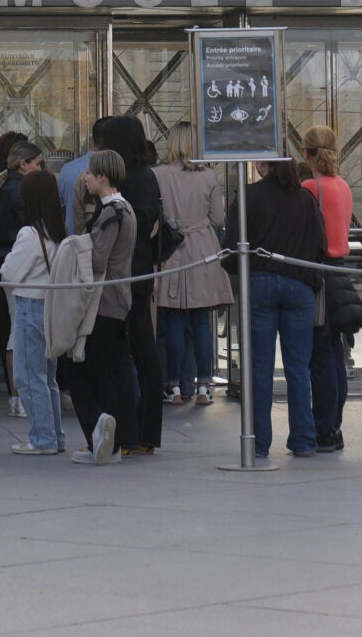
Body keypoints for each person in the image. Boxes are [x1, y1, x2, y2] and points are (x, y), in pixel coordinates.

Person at [231, 155, 326, 460]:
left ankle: (258, 443)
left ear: (265, 166)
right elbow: (320, 245)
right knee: (298, 367)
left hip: (260, 283)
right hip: (299, 285)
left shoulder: (249, 196)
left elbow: (232, 245)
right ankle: (303, 440)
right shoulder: (307, 199)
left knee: (260, 368)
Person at [58, 148, 139, 465]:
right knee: (107, 371)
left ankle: (100, 436)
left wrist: (75, 247)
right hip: (118, 300)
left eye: (90, 173)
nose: (86, 178)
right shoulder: (124, 209)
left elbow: (97, 259)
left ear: (102, 177)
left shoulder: (111, 213)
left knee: (79, 368)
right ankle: (109, 440)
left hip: (103, 303)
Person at [152, 131, 229, 408]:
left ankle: (173, 385)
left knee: (172, 320)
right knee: (200, 321)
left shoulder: (159, 175)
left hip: (171, 248)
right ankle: (204, 384)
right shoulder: (208, 176)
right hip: (202, 249)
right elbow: (218, 218)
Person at [106, 118, 167, 455]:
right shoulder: (148, 176)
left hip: (123, 275)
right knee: (145, 353)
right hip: (141, 272)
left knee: (123, 355)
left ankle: (128, 433)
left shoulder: (125, 181)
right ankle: (147, 433)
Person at [2, 169, 65, 454]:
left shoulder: (30, 233)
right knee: (48, 378)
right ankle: (55, 435)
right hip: (51, 308)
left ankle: (43, 438)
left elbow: (10, 272)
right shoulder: (58, 230)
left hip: (30, 307)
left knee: (28, 377)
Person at [300, 125, 354, 450]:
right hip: (341, 272)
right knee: (335, 353)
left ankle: (323, 427)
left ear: (306, 153)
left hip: (318, 274)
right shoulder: (343, 186)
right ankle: (334, 425)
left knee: (320, 355)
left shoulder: (310, 187)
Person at [0, 139, 43, 415]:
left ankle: (15, 394)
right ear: (24, 163)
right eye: (38, 164)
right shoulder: (22, 191)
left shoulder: (0, 190)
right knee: (22, 331)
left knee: (13, 327)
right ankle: (21, 395)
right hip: (23, 263)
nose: (41, 169)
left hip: (3, 261)